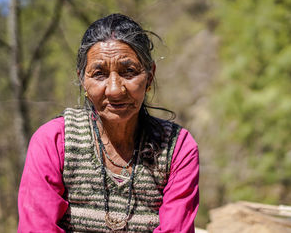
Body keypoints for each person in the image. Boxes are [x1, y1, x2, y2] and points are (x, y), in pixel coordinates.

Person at [18, 13, 199, 232]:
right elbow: (38, 227)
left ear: (149, 77)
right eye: (99, 74)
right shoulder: (54, 142)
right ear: (83, 80)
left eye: (129, 72)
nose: (114, 90)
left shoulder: (177, 148)